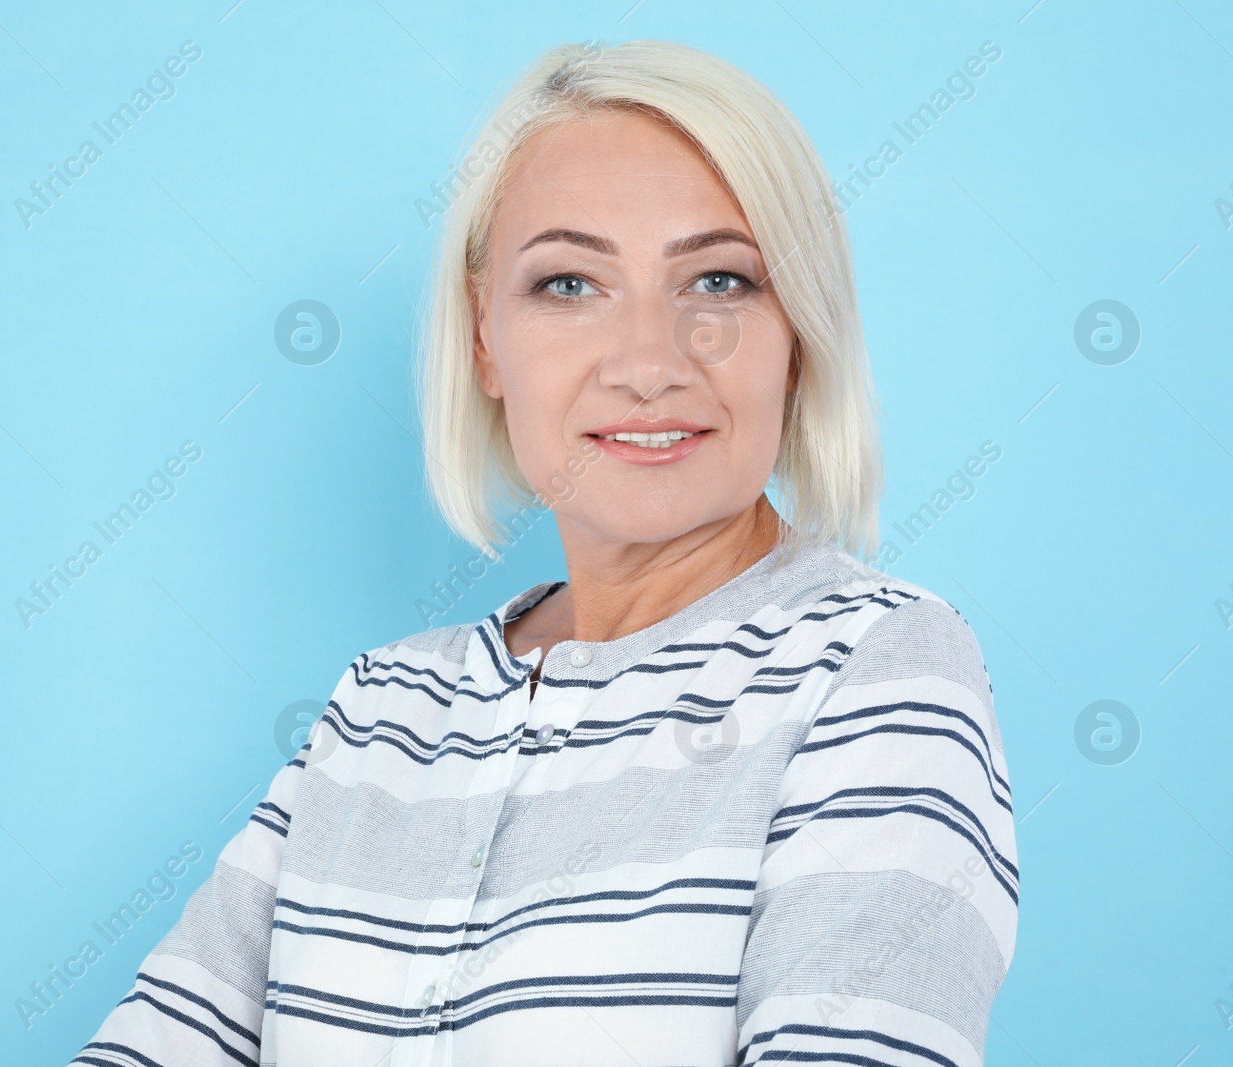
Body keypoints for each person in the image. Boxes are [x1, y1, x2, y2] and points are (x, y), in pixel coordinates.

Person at [72, 38, 1018, 1067]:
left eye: (719, 280)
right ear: (484, 336)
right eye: (569, 283)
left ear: (799, 333)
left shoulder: (876, 668)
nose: (650, 363)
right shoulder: (379, 709)